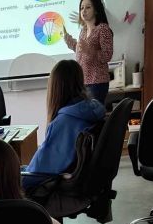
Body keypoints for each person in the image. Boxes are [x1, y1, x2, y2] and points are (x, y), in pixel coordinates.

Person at [22, 60, 106, 190]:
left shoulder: (63, 123)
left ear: (55, 89)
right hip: (82, 177)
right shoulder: (93, 110)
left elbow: (41, 170)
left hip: (50, 184)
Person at [63, 0, 113, 105]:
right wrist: (70, 43)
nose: (83, 11)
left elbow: (107, 55)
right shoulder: (83, 30)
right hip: (83, 82)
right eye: (81, 8)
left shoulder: (103, 29)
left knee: (94, 114)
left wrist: (90, 50)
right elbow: (82, 51)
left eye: (88, 7)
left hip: (97, 82)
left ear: (96, 10)